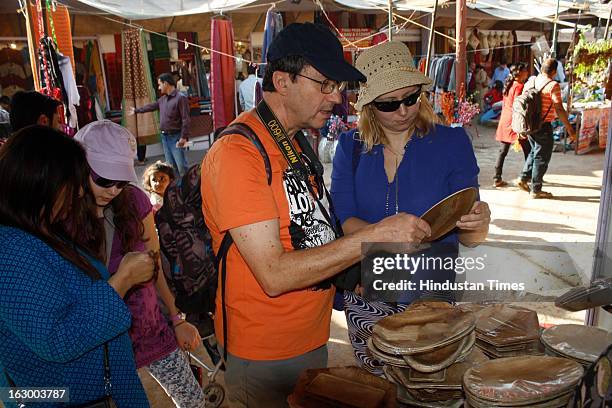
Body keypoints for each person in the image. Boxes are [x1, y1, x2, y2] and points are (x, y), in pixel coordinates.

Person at [200, 23, 433, 407]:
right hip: (263, 353)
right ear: (282, 80)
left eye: (339, 86)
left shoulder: (294, 143)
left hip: (309, 337)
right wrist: (372, 237)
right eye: (325, 84)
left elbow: (315, 233)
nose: (336, 97)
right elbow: (273, 274)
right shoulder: (238, 155)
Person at [330, 41, 490, 376]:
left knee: (428, 385)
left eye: (411, 98)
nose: (403, 111)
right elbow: (345, 220)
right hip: (367, 293)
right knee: (378, 384)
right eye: (390, 103)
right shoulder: (350, 147)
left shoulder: (452, 144)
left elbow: (471, 237)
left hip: (431, 297)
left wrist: (479, 221)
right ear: (370, 106)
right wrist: (387, 236)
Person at [0, 125, 155, 406]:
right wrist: (122, 280)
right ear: (40, 183)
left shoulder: (45, 230)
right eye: (73, 182)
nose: (81, 191)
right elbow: (55, 339)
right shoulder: (8, 248)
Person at [75, 120, 205, 408]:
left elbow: (155, 262)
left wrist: (175, 318)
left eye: (120, 181)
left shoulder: (134, 200)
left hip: (149, 327)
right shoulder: (64, 210)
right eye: (103, 180)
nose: (112, 190)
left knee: (193, 400)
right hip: (104, 339)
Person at [517, 58, 576, 199]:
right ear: (554, 72)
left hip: (530, 124)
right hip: (543, 126)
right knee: (542, 157)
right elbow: (559, 108)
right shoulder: (553, 85)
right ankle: (536, 189)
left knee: (534, 152)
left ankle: (523, 178)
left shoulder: (532, 81)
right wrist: (569, 129)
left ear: (542, 69)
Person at [129, 73, 191, 176]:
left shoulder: (180, 98)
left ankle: (187, 190)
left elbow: (186, 119)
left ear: (165, 83)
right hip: (165, 137)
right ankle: (176, 190)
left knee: (181, 167)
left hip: (176, 137)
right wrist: (136, 110)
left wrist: (184, 137)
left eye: (160, 84)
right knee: (170, 167)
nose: (159, 87)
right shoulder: (163, 99)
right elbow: (151, 106)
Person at [494, 63, 531, 187]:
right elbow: (519, 106)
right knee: (529, 151)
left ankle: (497, 177)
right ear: (520, 73)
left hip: (506, 119)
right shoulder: (519, 86)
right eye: (525, 70)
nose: (527, 72)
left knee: (503, 151)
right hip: (515, 121)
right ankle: (528, 176)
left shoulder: (509, 85)